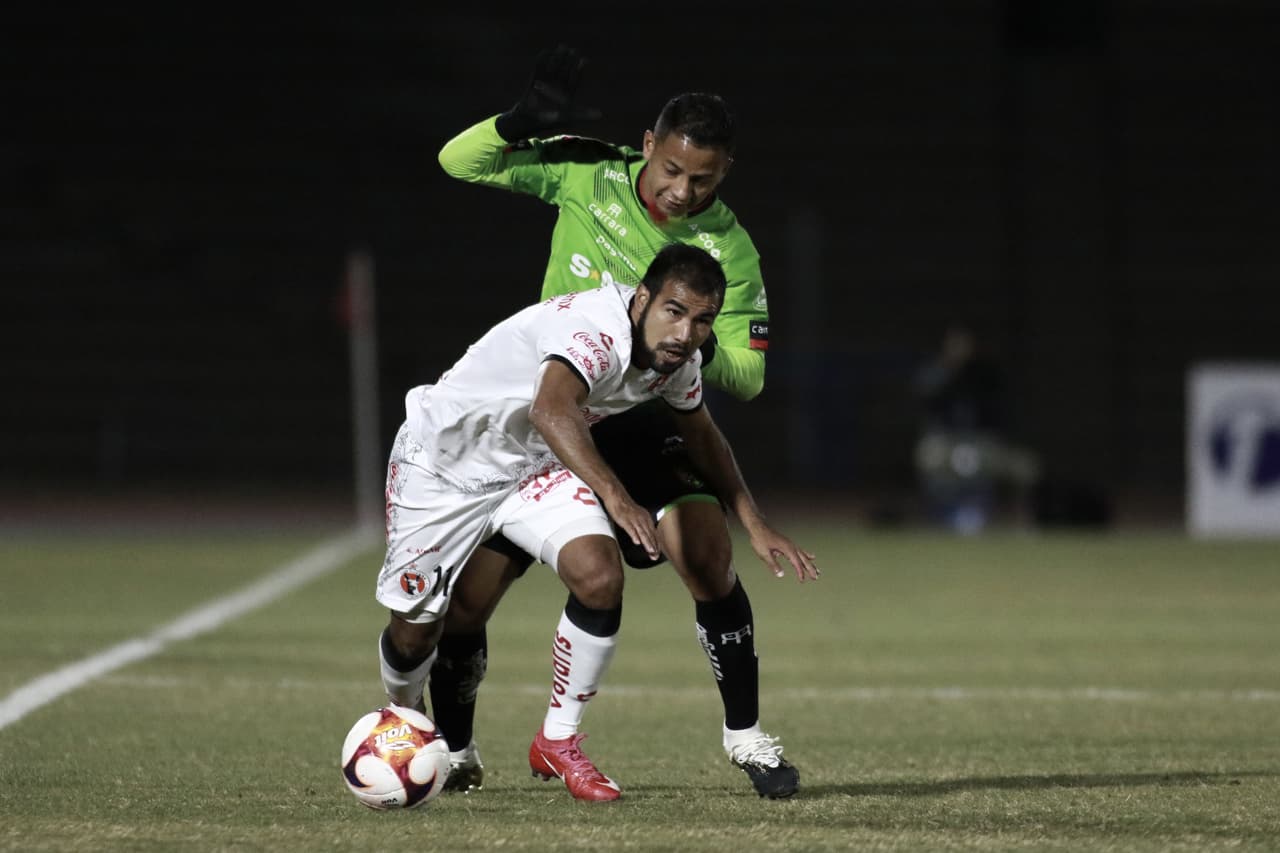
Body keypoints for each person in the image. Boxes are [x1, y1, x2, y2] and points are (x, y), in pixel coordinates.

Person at [431, 46, 803, 799]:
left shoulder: (726, 248)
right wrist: (515, 125)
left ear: (724, 172)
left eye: (702, 178)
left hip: (637, 416)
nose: (680, 190)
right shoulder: (586, 173)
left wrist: (677, 340)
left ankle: (746, 737)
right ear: (647, 147)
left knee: (704, 548)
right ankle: (457, 748)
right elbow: (456, 163)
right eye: (671, 169)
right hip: (547, 417)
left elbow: (751, 375)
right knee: (468, 600)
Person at [376, 243, 818, 803]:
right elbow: (551, 409)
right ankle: (405, 721)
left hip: (531, 467)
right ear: (641, 300)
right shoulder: (594, 330)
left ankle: (558, 741)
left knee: (599, 575)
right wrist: (616, 497)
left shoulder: (675, 361)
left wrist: (753, 521)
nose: (686, 333)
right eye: (674, 312)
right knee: (416, 631)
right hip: (442, 467)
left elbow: (702, 433)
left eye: (703, 320)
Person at [913, 322, 1040, 532]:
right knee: (932, 460)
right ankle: (938, 519)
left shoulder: (984, 375)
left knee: (1025, 467)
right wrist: (949, 370)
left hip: (981, 441)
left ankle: (1018, 522)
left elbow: (1000, 412)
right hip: (945, 441)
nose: (959, 350)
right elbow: (927, 400)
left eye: (963, 345)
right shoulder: (935, 374)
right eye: (954, 345)